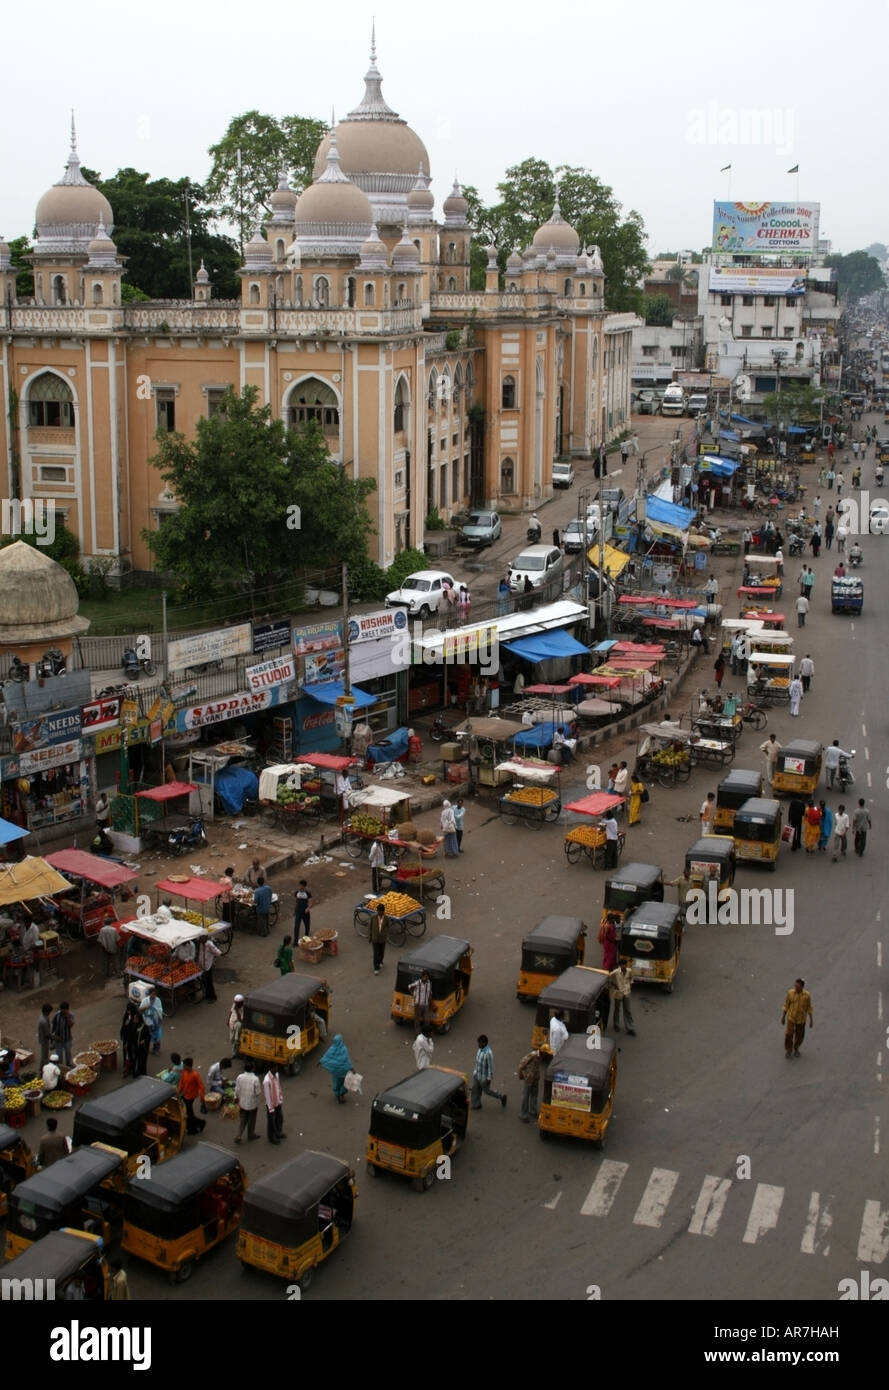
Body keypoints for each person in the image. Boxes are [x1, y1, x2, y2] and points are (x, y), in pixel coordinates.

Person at [471, 1034, 506, 1110]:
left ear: (484, 1043)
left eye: (479, 1043)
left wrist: (488, 1079)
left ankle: (501, 1096)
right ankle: (476, 1105)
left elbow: (491, 1067)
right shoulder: (479, 1050)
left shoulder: (489, 1054)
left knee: (487, 1091)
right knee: (475, 1089)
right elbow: (477, 1062)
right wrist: (475, 1072)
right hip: (477, 1075)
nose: (478, 1044)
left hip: (484, 1078)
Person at [782, 978, 813, 1059]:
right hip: (791, 1018)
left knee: (799, 1036)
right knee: (788, 1034)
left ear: (802, 987)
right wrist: (783, 1017)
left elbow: (809, 1008)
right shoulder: (790, 993)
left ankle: (796, 1048)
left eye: (797, 986)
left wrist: (811, 1020)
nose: (795, 987)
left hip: (801, 1020)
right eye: (795, 986)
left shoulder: (807, 995)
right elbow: (786, 1005)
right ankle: (789, 1049)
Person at [319, 1034, 355, 1104]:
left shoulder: (332, 1048)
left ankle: (338, 1095)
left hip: (335, 1072)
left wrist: (320, 1062)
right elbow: (347, 1060)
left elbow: (326, 1056)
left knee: (336, 1083)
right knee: (345, 1083)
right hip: (344, 1072)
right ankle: (342, 1095)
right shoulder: (344, 1048)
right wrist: (352, 1069)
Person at [234, 1061, 262, 1142]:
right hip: (252, 1105)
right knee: (251, 1120)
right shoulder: (255, 1079)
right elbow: (257, 1093)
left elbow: (237, 1089)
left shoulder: (239, 1077)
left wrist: (236, 1097)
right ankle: (251, 1135)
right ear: (253, 1068)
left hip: (242, 1103)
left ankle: (239, 1135)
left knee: (243, 1119)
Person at [178, 1058, 206, 1135]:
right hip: (185, 1095)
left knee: (189, 1114)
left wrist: (202, 1098)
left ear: (188, 1066)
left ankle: (195, 1127)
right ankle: (194, 1126)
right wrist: (178, 1092)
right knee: (188, 1113)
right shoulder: (184, 1072)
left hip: (191, 1097)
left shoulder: (195, 1075)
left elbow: (201, 1087)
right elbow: (181, 1083)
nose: (183, 1066)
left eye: (184, 1065)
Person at [609, 962, 636, 1035]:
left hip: (626, 993)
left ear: (626, 965)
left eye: (624, 965)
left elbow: (631, 979)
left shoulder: (629, 971)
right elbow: (609, 978)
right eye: (622, 965)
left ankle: (630, 1027)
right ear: (620, 965)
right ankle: (616, 1025)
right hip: (618, 993)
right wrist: (614, 985)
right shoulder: (615, 972)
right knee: (617, 1009)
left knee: (627, 1010)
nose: (623, 966)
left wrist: (629, 986)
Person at [517, 1047, 542, 1122]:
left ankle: (532, 1111)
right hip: (528, 1078)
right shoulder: (533, 1055)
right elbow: (522, 1063)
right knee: (526, 1096)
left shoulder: (539, 1056)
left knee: (534, 1094)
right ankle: (523, 1114)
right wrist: (521, 1074)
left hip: (535, 1078)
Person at [263, 1063, 285, 1143]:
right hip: (271, 1104)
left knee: (280, 1118)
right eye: (275, 1068)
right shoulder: (266, 1081)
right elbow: (267, 1096)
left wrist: (280, 1098)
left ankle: (278, 1133)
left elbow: (278, 1087)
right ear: (271, 1069)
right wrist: (270, 1108)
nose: (277, 1069)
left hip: (278, 1102)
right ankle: (272, 1138)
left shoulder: (277, 1075)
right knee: (271, 1121)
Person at [139, 987, 163, 1055]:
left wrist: (156, 1010)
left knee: (157, 1037)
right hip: (147, 1022)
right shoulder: (145, 1001)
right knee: (147, 1036)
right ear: (149, 994)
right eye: (152, 994)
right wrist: (146, 1007)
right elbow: (140, 1010)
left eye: (154, 994)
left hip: (156, 1022)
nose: (153, 996)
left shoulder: (158, 1000)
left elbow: (160, 1009)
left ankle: (156, 1049)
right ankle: (145, 1049)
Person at [50, 1002, 74, 1068]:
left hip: (67, 1038)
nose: (61, 1011)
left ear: (67, 1009)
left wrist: (67, 1017)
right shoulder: (57, 1015)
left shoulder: (71, 1015)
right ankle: (60, 1066)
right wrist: (52, 1038)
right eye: (61, 1010)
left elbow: (71, 1025)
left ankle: (68, 1064)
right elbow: (53, 1026)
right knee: (59, 1055)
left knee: (68, 1053)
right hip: (58, 1039)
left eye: (63, 1010)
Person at [370, 901, 388, 975]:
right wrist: (370, 937)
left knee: (381, 952)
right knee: (376, 953)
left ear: (383, 912)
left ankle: (381, 961)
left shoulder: (386, 918)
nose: (379, 913)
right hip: (375, 938)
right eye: (378, 911)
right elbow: (370, 927)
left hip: (382, 938)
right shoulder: (373, 917)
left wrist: (385, 933)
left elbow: (388, 926)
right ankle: (376, 968)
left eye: (380, 911)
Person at [37, 1002, 54, 1069]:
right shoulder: (43, 1021)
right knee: (45, 1056)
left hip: (42, 1037)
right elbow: (47, 1034)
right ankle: (43, 1069)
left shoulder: (43, 1016)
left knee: (44, 1054)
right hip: (44, 1039)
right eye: (49, 1012)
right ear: (47, 1012)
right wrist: (54, 1038)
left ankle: (41, 1067)